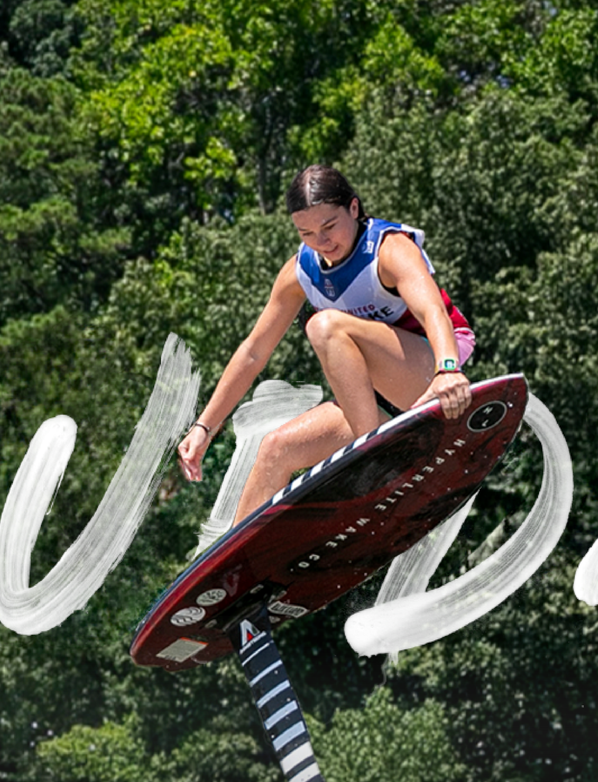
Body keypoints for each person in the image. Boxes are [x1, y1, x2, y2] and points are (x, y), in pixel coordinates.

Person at [174, 165, 476, 522]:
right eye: (307, 233)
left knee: (325, 326)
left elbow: (432, 312)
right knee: (275, 449)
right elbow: (254, 351)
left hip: (430, 373)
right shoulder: (300, 271)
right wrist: (204, 427)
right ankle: (234, 572)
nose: (322, 241)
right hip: (367, 398)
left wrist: (447, 369)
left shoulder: (389, 249)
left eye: (329, 226)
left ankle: (375, 463)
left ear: (353, 208)